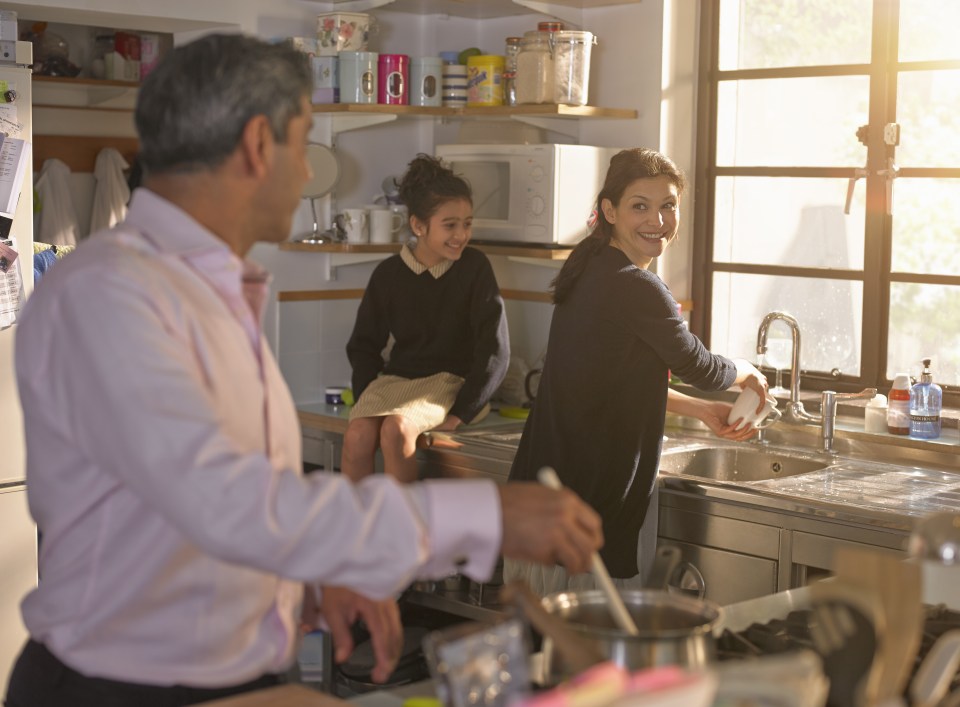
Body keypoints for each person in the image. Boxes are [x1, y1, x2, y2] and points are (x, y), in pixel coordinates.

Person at [4, 34, 603, 707]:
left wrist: (303, 575)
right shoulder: (111, 293)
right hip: (113, 687)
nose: (309, 173)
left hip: (218, 672)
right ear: (260, 144)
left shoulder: (209, 289)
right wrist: (485, 512)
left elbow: (192, 513)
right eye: (304, 141)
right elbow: (227, 501)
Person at [505, 148, 767, 597]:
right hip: (585, 501)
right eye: (639, 206)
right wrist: (747, 373)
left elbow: (610, 377)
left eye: (668, 206)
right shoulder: (636, 285)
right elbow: (697, 365)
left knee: (550, 656)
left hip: (544, 496)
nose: (657, 220)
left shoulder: (588, 266)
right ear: (609, 210)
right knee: (589, 657)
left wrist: (702, 410)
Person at [342, 155, 509, 483]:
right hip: (395, 382)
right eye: (450, 225)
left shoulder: (475, 268)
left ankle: (404, 532)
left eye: (467, 223)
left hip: (450, 383)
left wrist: (460, 414)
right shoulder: (388, 274)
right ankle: (357, 530)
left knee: (396, 430)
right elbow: (363, 345)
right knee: (357, 435)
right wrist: (366, 397)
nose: (461, 234)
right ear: (418, 225)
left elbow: (495, 351)